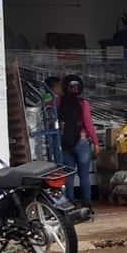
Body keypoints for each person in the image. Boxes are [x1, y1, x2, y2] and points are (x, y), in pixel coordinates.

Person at [59, 75, 99, 205]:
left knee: (68, 176)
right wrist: (96, 142)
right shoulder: (83, 103)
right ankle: (87, 203)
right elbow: (88, 124)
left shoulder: (59, 102)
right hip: (81, 142)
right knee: (84, 176)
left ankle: (69, 204)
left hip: (65, 143)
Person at [42, 76, 63, 163]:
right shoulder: (55, 98)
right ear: (54, 87)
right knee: (57, 150)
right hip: (55, 128)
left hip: (50, 126)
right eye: (59, 86)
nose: (61, 88)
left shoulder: (45, 97)